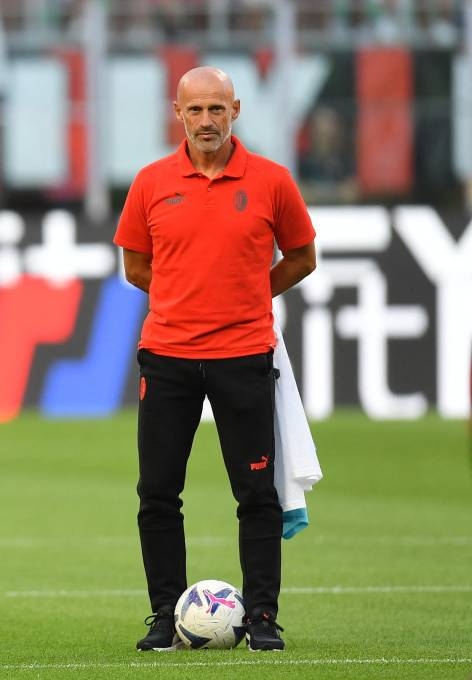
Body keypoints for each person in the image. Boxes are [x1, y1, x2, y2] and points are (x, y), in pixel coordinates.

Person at [114, 66, 317, 652]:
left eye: (216, 109)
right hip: (168, 357)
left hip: (244, 356)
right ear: (177, 114)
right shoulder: (151, 182)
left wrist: (247, 296)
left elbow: (302, 256)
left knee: (255, 494)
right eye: (195, 110)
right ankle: (162, 615)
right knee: (157, 493)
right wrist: (188, 299)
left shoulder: (273, 181)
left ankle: (261, 618)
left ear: (236, 110)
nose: (206, 121)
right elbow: (136, 267)